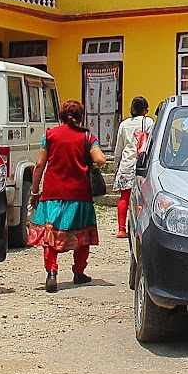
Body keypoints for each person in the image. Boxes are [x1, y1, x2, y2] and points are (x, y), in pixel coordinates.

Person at [29, 99, 107, 292]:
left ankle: (52, 272)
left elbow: (39, 165)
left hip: (53, 192)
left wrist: (34, 191)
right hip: (79, 194)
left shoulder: (49, 135)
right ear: (81, 117)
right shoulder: (87, 137)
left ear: (61, 117)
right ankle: (79, 272)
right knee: (82, 233)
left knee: (51, 233)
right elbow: (101, 160)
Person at [111, 96, 154, 238]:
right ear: (144, 110)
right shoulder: (148, 122)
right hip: (141, 164)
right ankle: (139, 229)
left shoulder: (124, 124)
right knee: (142, 198)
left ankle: (121, 229)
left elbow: (119, 147)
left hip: (125, 164)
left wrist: (118, 161)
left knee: (124, 197)